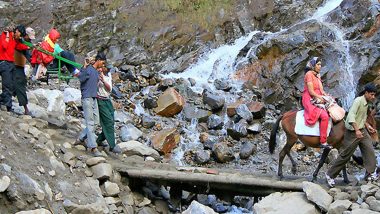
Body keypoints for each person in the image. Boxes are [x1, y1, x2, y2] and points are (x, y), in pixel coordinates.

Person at [325, 83, 378, 187]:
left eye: (374, 95)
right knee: (345, 155)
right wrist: (357, 130)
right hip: (353, 132)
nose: (373, 97)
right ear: (366, 93)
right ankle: (330, 175)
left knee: (369, 150)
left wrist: (368, 126)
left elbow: (362, 117)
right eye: (371, 94)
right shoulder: (358, 101)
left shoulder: (367, 103)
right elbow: (351, 117)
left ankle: (371, 173)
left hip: (362, 130)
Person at [76, 52, 106, 157]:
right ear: (98, 60)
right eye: (102, 62)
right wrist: (84, 66)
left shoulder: (96, 72)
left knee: (96, 122)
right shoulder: (88, 69)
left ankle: (80, 138)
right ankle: (93, 147)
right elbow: (80, 78)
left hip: (94, 98)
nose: (103, 64)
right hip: (87, 97)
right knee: (90, 122)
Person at [302, 57, 331, 149]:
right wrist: (320, 98)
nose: (320, 67)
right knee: (324, 116)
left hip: (318, 97)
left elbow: (321, 90)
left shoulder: (317, 75)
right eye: (318, 64)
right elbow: (311, 92)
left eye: (320, 65)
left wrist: (327, 96)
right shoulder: (309, 74)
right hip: (310, 98)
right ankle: (323, 141)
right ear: (313, 65)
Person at [96, 65, 121, 154]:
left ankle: (99, 140)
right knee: (108, 121)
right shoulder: (98, 74)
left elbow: (109, 88)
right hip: (100, 99)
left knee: (111, 120)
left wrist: (104, 81)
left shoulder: (108, 74)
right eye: (107, 68)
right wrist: (101, 79)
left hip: (107, 99)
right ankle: (112, 145)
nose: (109, 70)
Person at [0, 24, 24, 112]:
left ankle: (3, 101)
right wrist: (6, 35)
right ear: (16, 31)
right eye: (19, 33)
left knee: (13, 85)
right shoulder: (5, 35)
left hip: (10, 63)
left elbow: (18, 46)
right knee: (7, 85)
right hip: (4, 63)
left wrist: (30, 46)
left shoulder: (14, 39)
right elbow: (4, 46)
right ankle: (8, 106)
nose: (19, 36)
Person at [13, 27, 36, 115]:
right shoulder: (19, 41)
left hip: (18, 65)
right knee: (20, 84)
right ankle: (25, 108)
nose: (30, 40)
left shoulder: (25, 43)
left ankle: (6, 101)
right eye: (29, 38)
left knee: (18, 84)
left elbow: (29, 57)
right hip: (14, 65)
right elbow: (22, 49)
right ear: (25, 35)